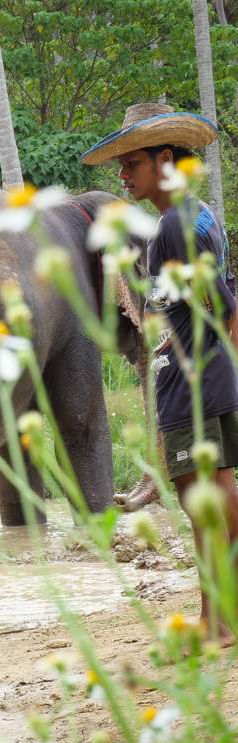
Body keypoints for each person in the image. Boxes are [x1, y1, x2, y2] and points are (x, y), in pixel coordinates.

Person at [83, 102, 238, 646]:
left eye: (132, 164)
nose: (123, 176)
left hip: (194, 378)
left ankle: (217, 622)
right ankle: (219, 618)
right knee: (212, 495)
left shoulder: (174, 225)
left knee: (205, 503)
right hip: (205, 371)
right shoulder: (199, 215)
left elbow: (221, 304)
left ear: (165, 158)